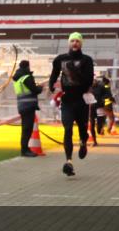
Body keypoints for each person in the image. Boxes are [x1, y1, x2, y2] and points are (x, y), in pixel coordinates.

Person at [48, 32, 95, 177]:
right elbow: (54, 73)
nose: (75, 43)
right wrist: (51, 85)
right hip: (67, 100)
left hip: (81, 100)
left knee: (82, 128)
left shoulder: (87, 60)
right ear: (69, 43)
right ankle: (68, 162)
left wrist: (75, 71)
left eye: (78, 41)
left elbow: (88, 80)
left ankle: (83, 143)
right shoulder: (60, 59)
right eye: (72, 41)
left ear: (81, 44)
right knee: (67, 129)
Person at [12, 60, 41, 158]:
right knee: (27, 129)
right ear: (28, 66)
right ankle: (25, 150)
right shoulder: (26, 78)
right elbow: (35, 90)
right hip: (29, 106)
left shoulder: (18, 79)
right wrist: (40, 88)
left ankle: (25, 149)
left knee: (25, 128)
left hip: (22, 106)